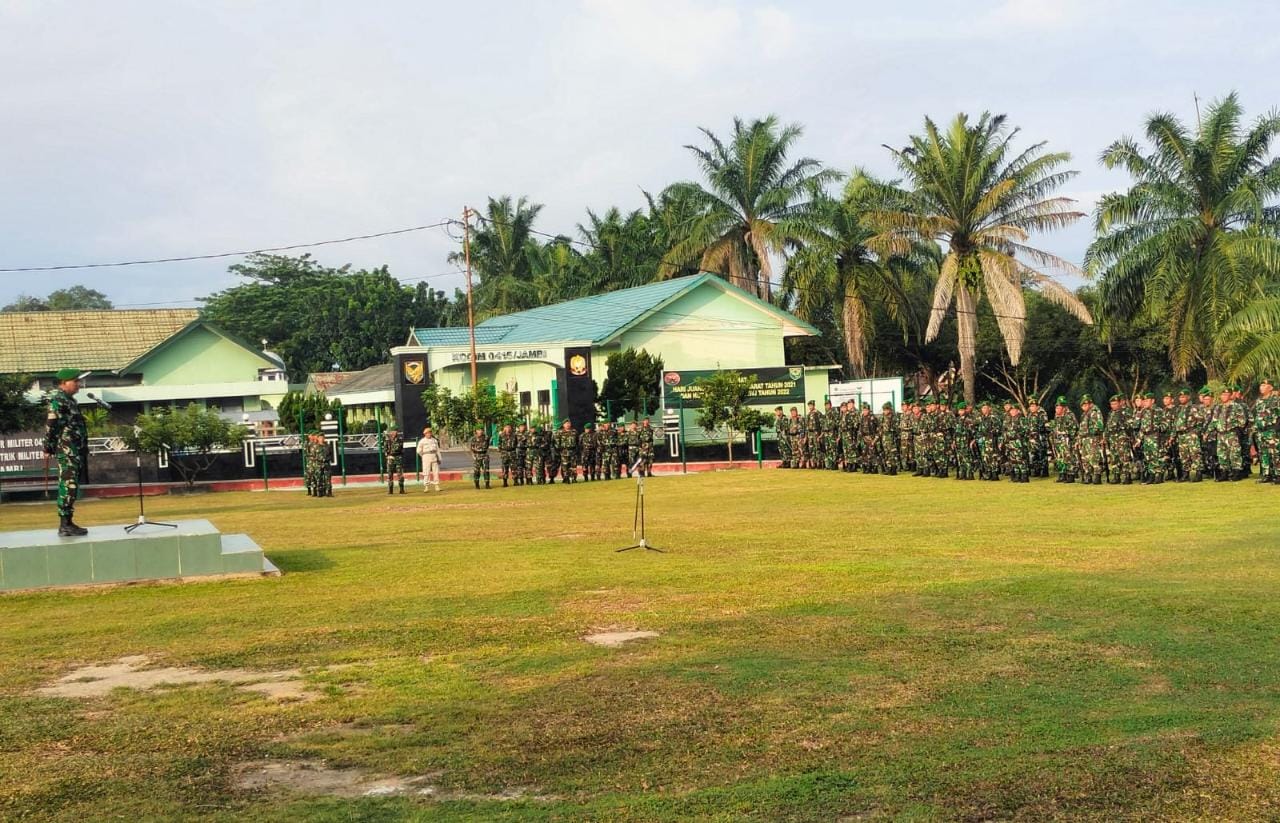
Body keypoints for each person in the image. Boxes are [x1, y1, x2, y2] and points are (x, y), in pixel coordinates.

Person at [43, 368, 89, 536]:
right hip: (67, 450)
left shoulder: (70, 400)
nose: (78, 385)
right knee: (68, 485)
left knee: (73, 486)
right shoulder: (58, 400)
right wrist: (48, 447)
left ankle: (69, 522)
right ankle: (64, 524)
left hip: (75, 450)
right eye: (75, 381)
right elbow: (51, 425)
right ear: (64, 383)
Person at [1212, 386, 1246, 480]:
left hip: (1232, 433)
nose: (1223, 396)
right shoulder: (1218, 407)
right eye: (1222, 395)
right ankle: (1224, 473)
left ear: (1230, 396)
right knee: (1222, 454)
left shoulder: (1236, 406)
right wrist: (1208, 431)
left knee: (1234, 453)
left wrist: (1237, 430)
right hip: (1221, 433)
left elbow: (1242, 421)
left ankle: (1236, 472)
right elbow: (1214, 421)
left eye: (1226, 395)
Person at [1173, 388, 1205, 483]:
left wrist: (1196, 431)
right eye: (1180, 397)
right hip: (1181, 435)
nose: (1181, 399)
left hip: (1191, 433)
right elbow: (1175, 423)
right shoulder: (1179, 409)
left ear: (1188, 397)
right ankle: (1185, 474)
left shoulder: (1193, 408)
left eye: (1183, 397)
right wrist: (1173, 435)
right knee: (1184, 455)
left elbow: (1201, 419)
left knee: (1195, 454)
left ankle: (1198, 473)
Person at [1254, 378, 1280, 483]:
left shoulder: (1276, 400)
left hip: (1272, 431)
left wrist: (1276, 429)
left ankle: (1278, 474)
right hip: (1261, 431)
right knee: (1263, 454)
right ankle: (1266, 474)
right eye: (1261, 385)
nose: (1261, 388)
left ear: (1271, 388)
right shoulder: (1259, 401)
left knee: (1275, 454)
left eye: (1264, 386)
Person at [1076, 395, 1105, 485]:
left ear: (1089, 404)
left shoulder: (1094, 412)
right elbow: (1081, 428)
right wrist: (1079, 439)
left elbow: (1099, 425)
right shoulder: (1084, 414)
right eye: (1082, 406)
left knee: (1094, 457)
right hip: (1084, 438)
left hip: (1092, 438)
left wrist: (1094, 432)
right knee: (1085, 458)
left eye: (1085, 405)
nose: (1083, 407)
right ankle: (1088, 475)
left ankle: (1097, 475)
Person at [1050, 397, 1077, 483]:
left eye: (1058, 408)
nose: (1056, 409)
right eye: (1056, 407)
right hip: (1058, 440)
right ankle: (1062, 474)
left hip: (1066, 440)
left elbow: (1074, 428)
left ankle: (1071, 474)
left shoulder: (1069, 415)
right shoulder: (1057, 416)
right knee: (1059, 458)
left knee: (1068, 457)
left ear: (1064, 408)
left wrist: (1065, 434)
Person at [417, 426, 442, 492]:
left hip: (433, 455)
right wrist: (423, 456)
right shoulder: (422, 441)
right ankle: (426, 486)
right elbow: (418, 450)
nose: (429, 434)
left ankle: (436, 485)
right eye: (427, 433)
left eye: (430, 432)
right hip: (426, 456)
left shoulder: (434, 440)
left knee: (435, 472)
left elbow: (437, 450)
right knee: (426, 472)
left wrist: (439, 458)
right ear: (425, 434)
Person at [554, 419, 578, 484]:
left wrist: (576, 449)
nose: (567, 425)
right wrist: (559, 450)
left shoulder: (574, 431)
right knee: (565, 466)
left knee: (573, 465)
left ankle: (573, 478)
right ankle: (566, 478)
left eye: (568, 423)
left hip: (572, 451)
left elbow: (577, 441)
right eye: (566, 424)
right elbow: (557, 442)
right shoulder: (560, 432)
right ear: (563, 425)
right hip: (564, 451)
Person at [384, 424, 405, 494]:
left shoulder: (400, 440)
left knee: (400, 475)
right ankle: (390, 490)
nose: (393, 433)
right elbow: (385, 450)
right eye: (392, 431)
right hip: (390, 459)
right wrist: (388, 455)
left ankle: (401, 489)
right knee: (390, 475)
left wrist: (391, 453)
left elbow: (398, 449)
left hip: (398, 458)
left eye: (395, 431)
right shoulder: (387, 441)